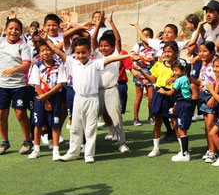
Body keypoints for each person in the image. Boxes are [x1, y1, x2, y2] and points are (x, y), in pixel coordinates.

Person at [41, 35, 137, 163]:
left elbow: (111, 59)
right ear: (75, 53)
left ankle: (89, 154)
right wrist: (46, 39)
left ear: (89, 52)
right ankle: (73, 153)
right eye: (78, 53)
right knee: (75, 127)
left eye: (84, 52)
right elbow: (56, 50)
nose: (81, 55)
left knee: (90, 127)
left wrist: (128, 55)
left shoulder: (95, 63)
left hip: (92, 99)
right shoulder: (72, 62)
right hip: (78, 99)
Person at [91, 13, 130, 153]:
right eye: (101, 46)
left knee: (116, 118)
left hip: (111, 90)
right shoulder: (97, 54)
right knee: (92, 118)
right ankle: (89, 145)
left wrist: (112, 23)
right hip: (96, 91)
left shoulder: (116, 54)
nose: (103, 48)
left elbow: (118, 39)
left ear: (113, 46)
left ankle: (122, 143)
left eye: (106, 46)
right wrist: (98, 24)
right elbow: (93, 39)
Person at [134, 41, 179, 157]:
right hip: (159, 93)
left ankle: (182, 148)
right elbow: (151, 79)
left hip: (172, 94)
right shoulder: (158, 64)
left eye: (170, 51)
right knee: (158, 121)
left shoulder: (179, 66)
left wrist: (174, 79)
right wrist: (142, 71)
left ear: (176, 52)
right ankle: (156, 148)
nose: (167, 54)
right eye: (165, 52)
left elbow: (184, 78)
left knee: (175, 122)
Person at [28, 40, 67, 160]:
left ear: (52, 51)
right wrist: (44, 100)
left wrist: (47, 96)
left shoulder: (59, 66)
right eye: (43, 50)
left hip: (54, 97)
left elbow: (60, 84)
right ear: (39, 53)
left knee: (55, 124)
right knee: (38, 124)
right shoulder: (37, 66)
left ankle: (56, 150)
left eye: (48, 49)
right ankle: (36, 149)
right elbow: (36, 84)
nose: (46, 52)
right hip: (40, 98)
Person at [0, 18, 33, 155]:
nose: (13, 31)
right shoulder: (1, 44)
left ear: (21, 32)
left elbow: (27, 64)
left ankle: (27, 141)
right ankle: (4, 142)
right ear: (6, 30)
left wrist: (12, 70)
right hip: (2, 85)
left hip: (19, 85)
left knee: (20, 113)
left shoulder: (23, 46)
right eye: (11, 28)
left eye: (17, 29)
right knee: (1, 114)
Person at [158, 58, 193, 162]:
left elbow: (170, 93)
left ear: (183, 71)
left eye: (176, 70)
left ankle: (185, 154)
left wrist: (162, 91)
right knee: (180, 127)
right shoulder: (186, 78)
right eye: (173, 70)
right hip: (185, 104)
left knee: (181, 129)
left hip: (183, 105)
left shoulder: (179, 80)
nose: (174, 73)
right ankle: (183, 151)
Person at [192, 41, 217, 163]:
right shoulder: (204, 65)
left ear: (212, 52)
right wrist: (188, 77)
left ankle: (214, 152)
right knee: (207, 126)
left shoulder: (214, 66)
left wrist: (213, 97)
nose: (201, 54)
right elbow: (200, 82)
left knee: (211, 126)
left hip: (210, 97)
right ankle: (210, 149)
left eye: (204, 51)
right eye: (200, 51)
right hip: (204, 96)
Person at [131, 27, 156, 126]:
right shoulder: (138, 46)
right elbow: (132, 55)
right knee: (139, 96)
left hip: (151, 72)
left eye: (147, 35)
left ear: (151, 37)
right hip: (139, 72)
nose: (145, 37)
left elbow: (157, 61)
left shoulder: (154, 48)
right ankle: (136, 118)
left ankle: (151, 117)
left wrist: (152, 61)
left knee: (151, 98)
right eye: (143, 35)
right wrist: (142, 58)